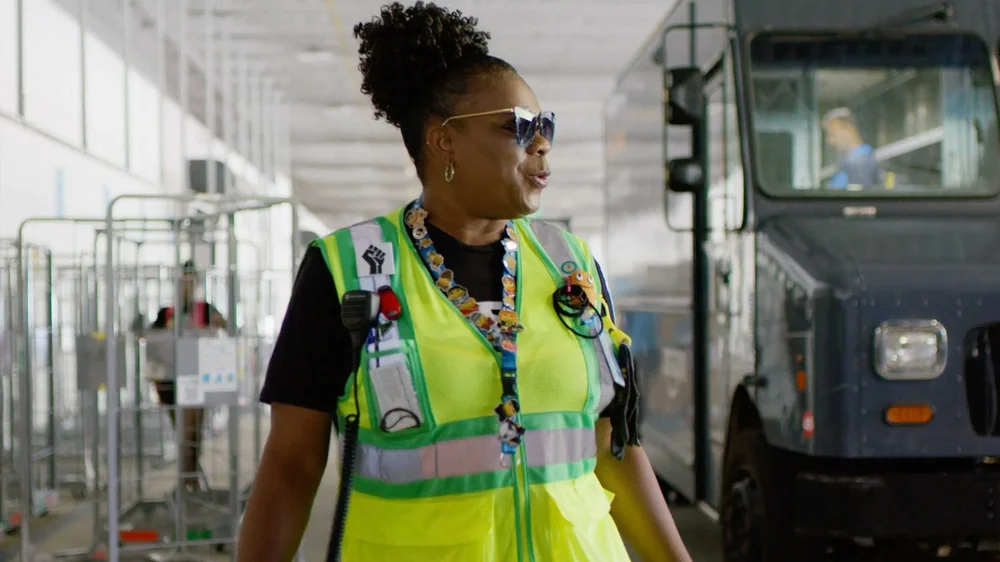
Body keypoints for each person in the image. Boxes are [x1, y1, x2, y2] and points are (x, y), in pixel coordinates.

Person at [237, 2, 692, 561]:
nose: (542, 143)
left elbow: (613, 447)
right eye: (518, 126)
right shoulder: (347, 271)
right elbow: (291, 464)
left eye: (546, 126)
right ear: (443, 141)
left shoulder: (570, 265)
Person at [147, 259, 226, 490]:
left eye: (191, 283)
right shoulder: (166, 313)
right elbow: (152, 339)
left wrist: (216, 325)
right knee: (181, 431)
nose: (187, 287)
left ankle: (189, 477)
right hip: (170, 381)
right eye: (183, 282)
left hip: (196, 379)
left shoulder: (205, 309)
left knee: (192, 430)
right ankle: (188, 477)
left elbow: (225, 326)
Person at [822, 107, 882, 189]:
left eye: (832, 134)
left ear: (847, 127)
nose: (829, 141)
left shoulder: (861, 160)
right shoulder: (846, 162)